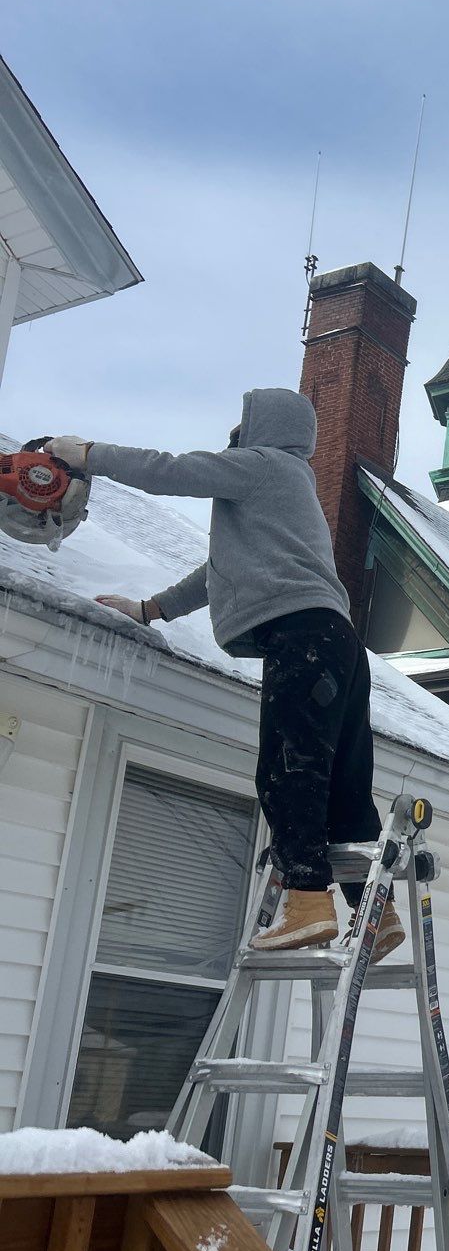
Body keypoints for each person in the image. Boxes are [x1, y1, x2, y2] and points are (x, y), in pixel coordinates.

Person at [46, 389, 402, 958]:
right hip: (340, 646)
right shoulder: (287, 491)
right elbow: (220, 570)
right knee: (341, 785)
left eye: (244, 422)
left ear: (262, 427)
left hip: (302, 639)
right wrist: (149, 609)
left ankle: (308, 902)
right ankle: (375, 912)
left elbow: (173, 471)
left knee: (290, 772)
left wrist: (87, 454)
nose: (235, 432)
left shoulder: (264, 466)